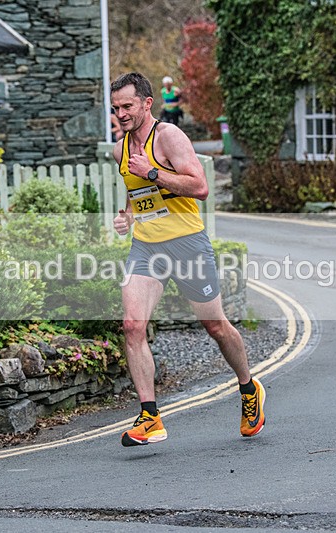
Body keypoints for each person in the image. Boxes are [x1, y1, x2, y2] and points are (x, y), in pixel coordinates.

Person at [110, 72, 266, 447]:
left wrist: (151, 170)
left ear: (147, 103)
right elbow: (138, 190)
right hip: (147, 247)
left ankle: (248, 390)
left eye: (127, 106)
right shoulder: (119, 149)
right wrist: (127, 214)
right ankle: (150, 417)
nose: (121, 114)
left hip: (187, 244)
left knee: (215, 327)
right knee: (132, 325)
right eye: (116, 108)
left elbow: (200, 187)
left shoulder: (169, 138)